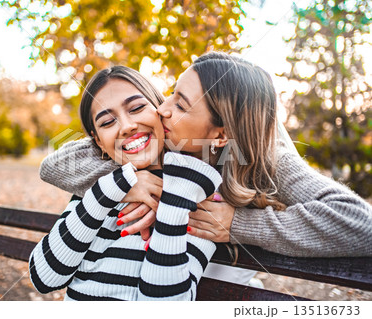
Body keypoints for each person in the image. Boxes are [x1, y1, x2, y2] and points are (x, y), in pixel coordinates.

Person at [40, 52, 372, 260]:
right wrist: (128, 182)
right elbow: (56, 163)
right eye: (171, 93)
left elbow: (361, 224)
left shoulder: (267, 158)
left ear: (222, 134)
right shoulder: (166, 141)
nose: (162, 109)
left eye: (180, 104)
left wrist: (239, 224)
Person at [29, 66, 223, 300]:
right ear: (99, 142)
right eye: (108, 122)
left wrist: (172, 205)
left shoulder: (195, 193)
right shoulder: (96, 190)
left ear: (160, 111)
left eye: (137, 108)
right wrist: (110, 190)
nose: (126, 126)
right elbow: (44, 278)